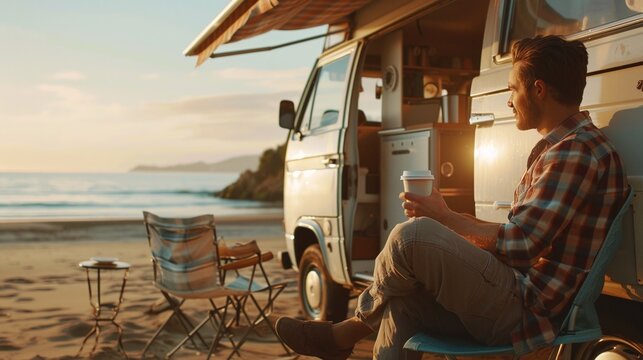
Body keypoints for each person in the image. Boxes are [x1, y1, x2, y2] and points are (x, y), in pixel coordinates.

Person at [275, 35, 629, 359]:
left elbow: (521, 245)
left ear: (538, 90)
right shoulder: (568, 148)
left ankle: (343, 334)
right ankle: (341, 337)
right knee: (403, 305)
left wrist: (443, 220)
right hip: (515, 293)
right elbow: (516, 232)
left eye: (512, 89)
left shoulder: (575, 152)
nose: (508, 100)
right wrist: (447, 215)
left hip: (525, 308)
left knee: (409, 236)